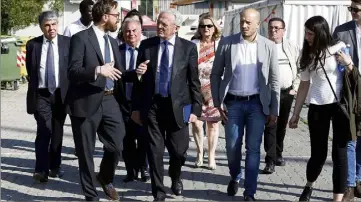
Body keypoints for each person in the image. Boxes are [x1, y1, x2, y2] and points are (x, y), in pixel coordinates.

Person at [66, 0, 146, 200]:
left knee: (117, 145)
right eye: (116, 15)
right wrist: (97, 71)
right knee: (86, 153)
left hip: (110, 101)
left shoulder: (112, 42)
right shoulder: (80, 38)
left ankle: (104, 177)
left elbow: (117, 73)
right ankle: (91, 196)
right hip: (85, 102)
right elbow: (72, 72)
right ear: (105, 17)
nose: (118, 19)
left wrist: (135, 73)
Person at [131, 9, 202, 201]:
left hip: (178, 107)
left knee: (179, 151)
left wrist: (196, 110)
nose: (159, 26)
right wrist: (136, 107)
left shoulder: (188, 48)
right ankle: (158, 194)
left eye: (164, 24)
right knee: (154, 152)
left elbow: (194, 81)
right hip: (153, 106)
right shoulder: (146, 46)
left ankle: (176, 175)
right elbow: (138, 82)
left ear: (176, 27)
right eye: (158, 22)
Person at [210, 8, 280, 201]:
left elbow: (274, 80)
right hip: (233, 103)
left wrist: (274, 109)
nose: (244, 25)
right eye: (242, 21)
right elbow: (215, 74)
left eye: (249, 22)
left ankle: (250, 192)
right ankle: (235, 176)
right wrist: (217, 101)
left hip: (257, 104)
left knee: (253, 148)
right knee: (232, 147)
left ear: (258, 24)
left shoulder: (268, 46)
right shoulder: (227, 43)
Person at [288, 16, 349, 201]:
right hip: (317, 106)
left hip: (339, 106)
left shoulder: (339, 47)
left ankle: (337, 198)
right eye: (306, 32)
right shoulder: (307, 54)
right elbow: (304, 85)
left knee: (340, 154)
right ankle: (309, 184)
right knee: (318, 154)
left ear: (321, 33)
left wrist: (349, 63)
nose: (306, 36)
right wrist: (296, 113)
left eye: (310, 33)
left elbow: (352, 75)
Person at [25, 11, 70, 183]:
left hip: (61, 95)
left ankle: (55, 167)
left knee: (57, 131)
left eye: (54, 24)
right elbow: (31, 71)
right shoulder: (32, 45)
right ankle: (40, 170)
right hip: (42, 94)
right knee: (44, 129)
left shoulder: (68, 43)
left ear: (58, 25)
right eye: (47, 25)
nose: (51, 28)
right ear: (41, 27)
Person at [261, 17, 300, 174]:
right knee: (270, 125)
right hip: (269, 93)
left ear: (284, 30)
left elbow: (300, 67)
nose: (273, 30)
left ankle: (278, 154)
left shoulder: (291, 47)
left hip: (287, 92)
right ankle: (269, 160)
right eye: (271, 27)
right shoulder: (262, 46)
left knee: (282, 125)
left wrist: (295, 87)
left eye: (277, 28)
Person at [333, 0, 361, 200]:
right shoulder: (341, 31)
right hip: (349, 93)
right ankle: (349, 185)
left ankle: (359, 180)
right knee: (350, 138)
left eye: (356, 10)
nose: (352, 12)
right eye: (350, 8)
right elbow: (333, 61)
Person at [118, 17, 150, 183]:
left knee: (144, 138)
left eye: (134, 31)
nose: (130, 34)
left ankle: (144, 168)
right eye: (127, 31)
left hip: (142, 103)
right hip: (123, 103)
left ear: (140, 32)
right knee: (126, 140)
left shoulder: (147, 51)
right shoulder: (118, 51)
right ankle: (131, 171)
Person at [191, 13, 222, 170]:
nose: (206, 29)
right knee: (196, 124)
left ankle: (211, 156)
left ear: (214, 27)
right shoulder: (193, 43)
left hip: (213, 90)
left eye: (209, 25)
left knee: (213, 125)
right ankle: (199, 153)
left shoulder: (220, 44)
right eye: (203, 26)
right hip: (195, 89)